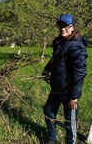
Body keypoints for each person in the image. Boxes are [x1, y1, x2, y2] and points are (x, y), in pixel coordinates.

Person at [42, 14, 87, 144]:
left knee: (69, 122)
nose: (63, 29)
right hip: (56, 88)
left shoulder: (76, 46)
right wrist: (47, 69)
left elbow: (80, 72)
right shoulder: (58, 42)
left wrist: (74, 97)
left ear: (72, 27)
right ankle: (51, 139)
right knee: (48, 111)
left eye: (66, 26)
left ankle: (70, 142)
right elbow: (54, 59)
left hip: (69, 92)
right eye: (60, 26)